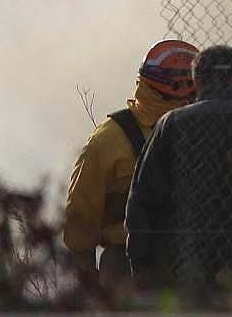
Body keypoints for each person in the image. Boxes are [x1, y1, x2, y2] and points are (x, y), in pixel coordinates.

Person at [126, 45, 232, 304]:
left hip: (180, 266)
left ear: (197, 82)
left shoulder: (172, 125)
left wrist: (140, 264)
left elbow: (142, 199)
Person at [63, 39, 198, 288]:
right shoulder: (108, 141)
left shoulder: (201, 129)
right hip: (127, 265)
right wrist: (88, 284)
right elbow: (80, 220)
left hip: (195, 259)